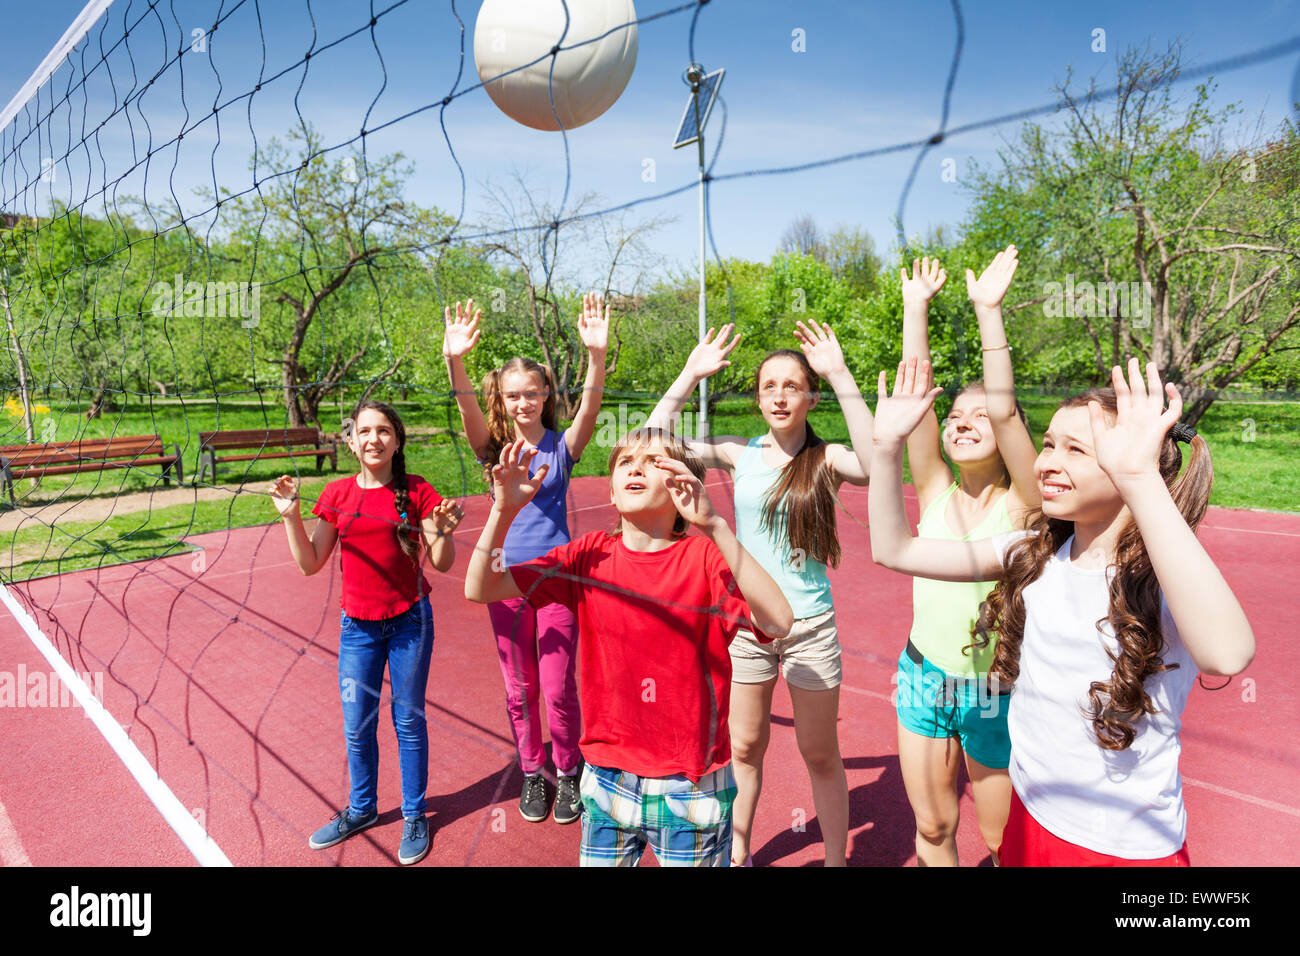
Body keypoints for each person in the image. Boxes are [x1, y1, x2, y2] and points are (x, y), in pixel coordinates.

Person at [868, 356, 1254, 866]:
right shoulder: (1033, 552)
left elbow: (1227, 654)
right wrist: (887, 445)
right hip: (1032, 820)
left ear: (1137, 464)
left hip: (1123, 848)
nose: (1047, 461)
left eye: (1077, 449)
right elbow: (894, 550)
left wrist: (1138, 479)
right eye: (1049, 444)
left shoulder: (1163, 575)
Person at [464, 428, 794, 866]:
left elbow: (778, 620)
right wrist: (503, 512)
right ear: (614, 496)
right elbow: (481, 587)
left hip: (689, 782)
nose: (636, 466)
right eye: (625, 462)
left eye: (653, 460)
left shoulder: (706, 557)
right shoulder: (587, 556)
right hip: (605, 776)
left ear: (682, 486)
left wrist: (715, 525)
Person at [648, 321, 873, 866]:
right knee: (745, 749)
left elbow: (874, 462)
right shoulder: (736, 454)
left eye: (792, 385)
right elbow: (650, 442)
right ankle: (740, 851)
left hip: (808, 630)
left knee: (819, 754)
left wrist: (840, 373)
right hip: (747, 629)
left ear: (810, 396)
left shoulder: (829, 458)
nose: (778, 395)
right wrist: (689, 372)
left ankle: (837, 861)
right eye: (768, 386)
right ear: (757, 397)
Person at [892, 247, 1038, 865]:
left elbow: (1003, 409)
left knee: (1005, 841)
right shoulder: (932, 487)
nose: (963, 422)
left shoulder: (1027, 505)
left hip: (997, 688)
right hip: (923, 674)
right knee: (932, 830)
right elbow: (914, 395)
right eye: (956, 415)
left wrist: (989, 314)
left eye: (980, 417)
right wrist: (914, 309)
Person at [270, 400, 463, 866]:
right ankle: (362, 809)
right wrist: (289, 515)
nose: (373, 439)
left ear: (396, 441)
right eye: (365, 431)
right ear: (351, 441)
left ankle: (415, 814)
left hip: (409, 622)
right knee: (358, 726)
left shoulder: (416, 490)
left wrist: (442, 531)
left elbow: (442, 562)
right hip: (357, 627)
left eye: (383, 431)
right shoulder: (336, 494)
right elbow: (310, 563)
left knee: (408, 721)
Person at [442, 294, 609, 824]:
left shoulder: (563, 446)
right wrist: (455, 361)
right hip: (505, 581)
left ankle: (569, 773)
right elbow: (468, 408)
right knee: (521, 689)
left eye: (531, 393)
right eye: (513, 396)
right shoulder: (493, 449)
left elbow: (591, 407)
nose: (523, 403)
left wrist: (597, 358)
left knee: (559, 687)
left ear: (544, 396)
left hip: (557, 579)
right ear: (504, 399)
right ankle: (532, 773)